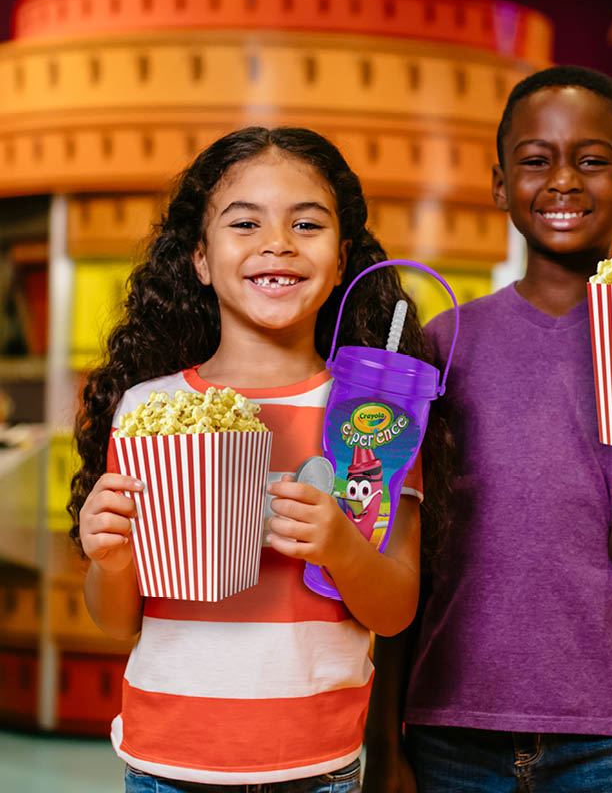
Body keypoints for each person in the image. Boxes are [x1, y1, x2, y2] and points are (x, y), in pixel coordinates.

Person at [364, 66, 612, 793]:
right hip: (449, 726)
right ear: (501, 185)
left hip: (610, 736)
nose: (564, 180)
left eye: (593, 160)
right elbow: (404, 554)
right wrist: (385, 740)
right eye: (537, 160)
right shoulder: (443, 347)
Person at [69, 126, 451, 791]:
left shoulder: (373, 418)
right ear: (199, 257)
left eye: (307, 224)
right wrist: (109, 556)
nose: (277, 243)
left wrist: (340, 544)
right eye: (245, 223)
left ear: (340, 262)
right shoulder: (148, 410)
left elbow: (393, 610)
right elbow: (118, 618)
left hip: (318, 767)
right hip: (165, 763)